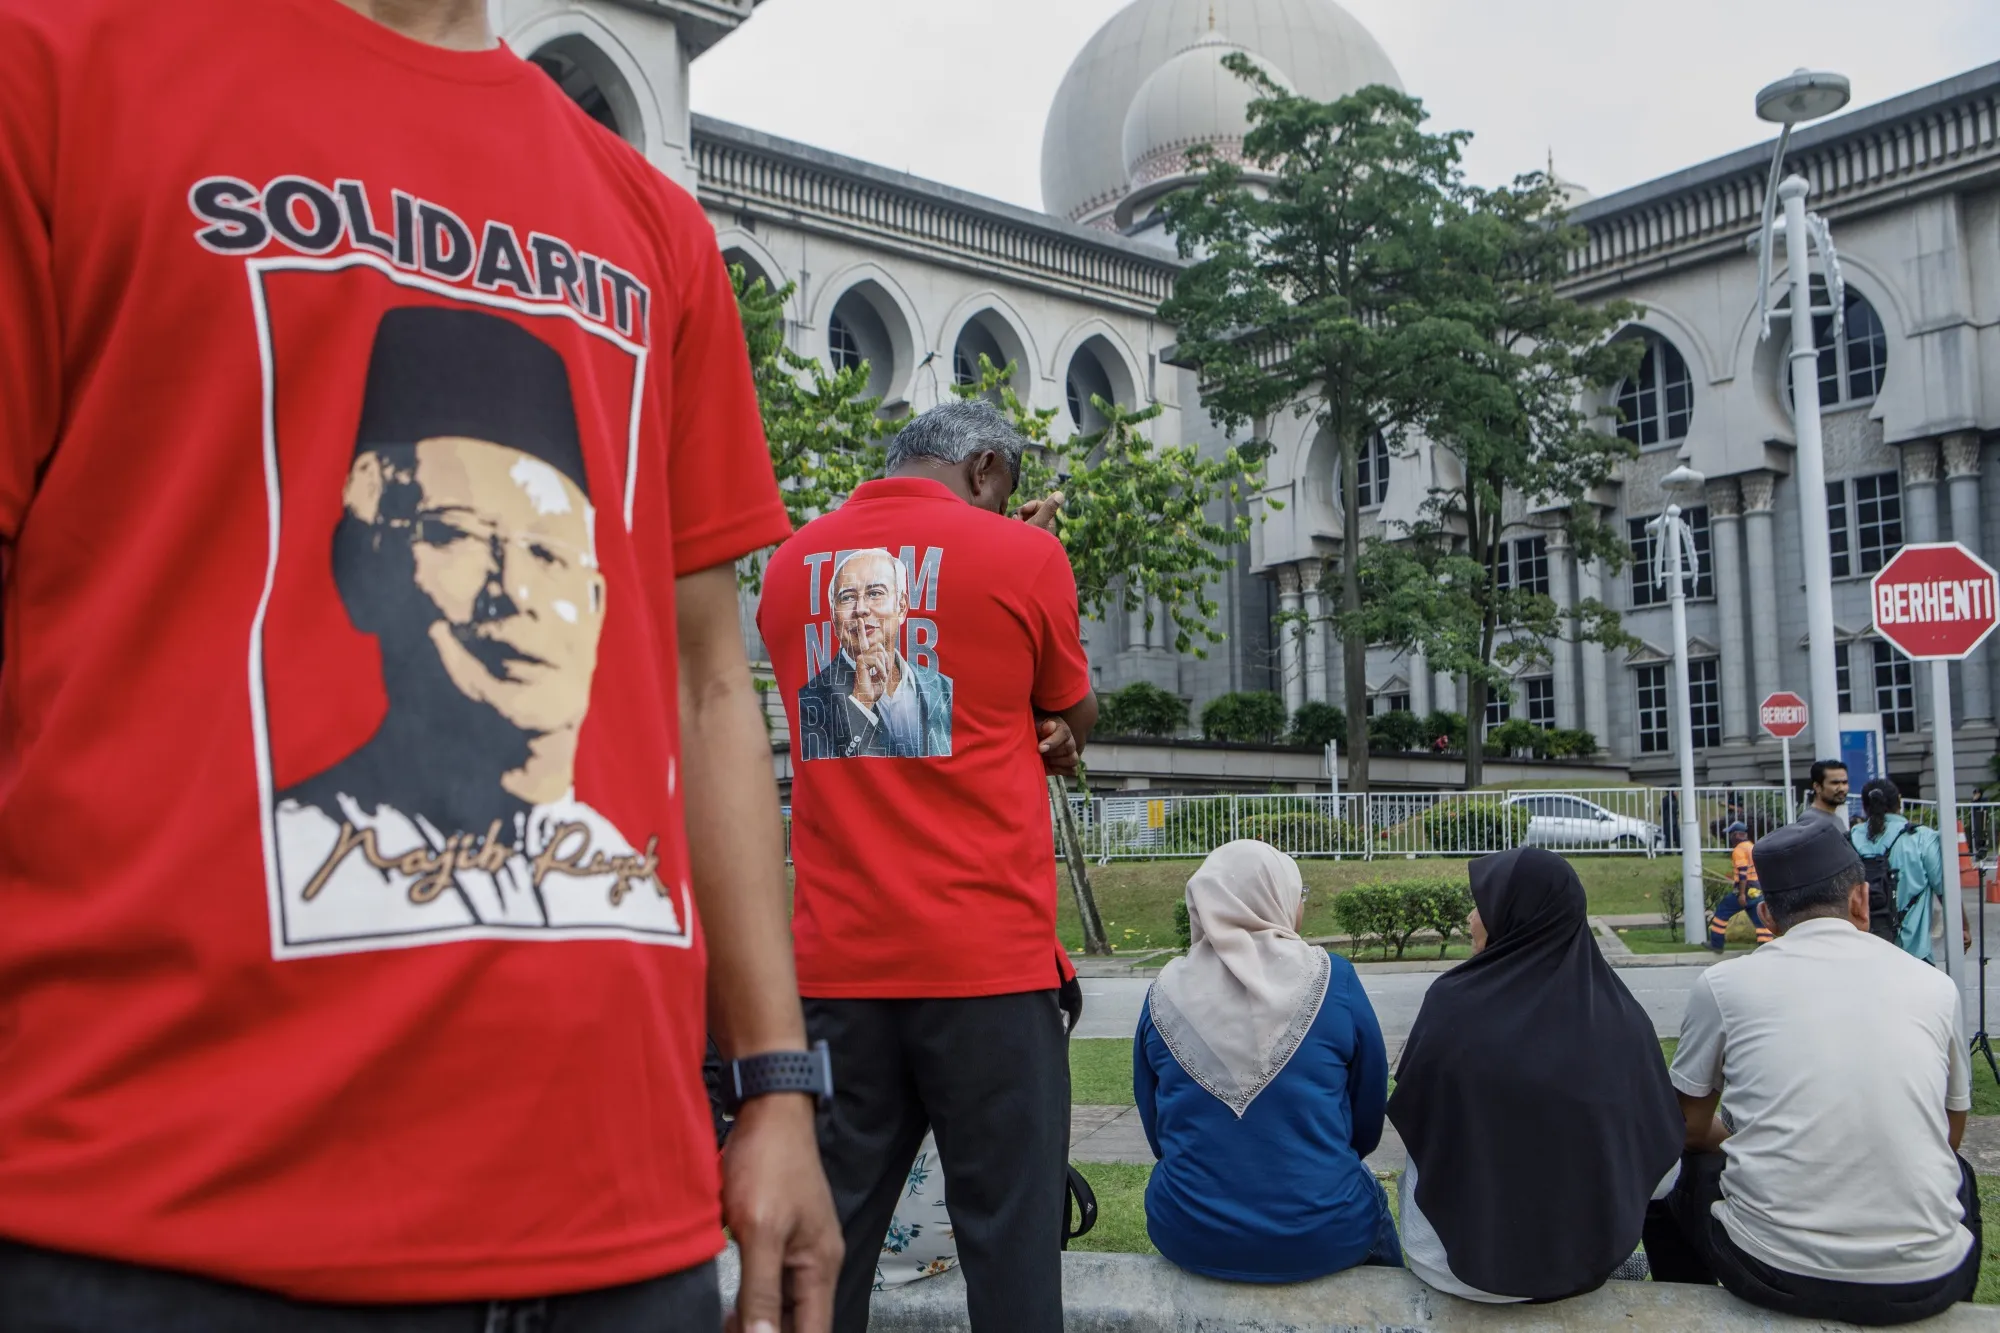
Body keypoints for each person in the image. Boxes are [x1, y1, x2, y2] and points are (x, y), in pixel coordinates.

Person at [0, 0, 840, 1328]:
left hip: (620, 1235)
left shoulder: (648, 221)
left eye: (555, 552)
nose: (518, 595)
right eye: (458, 537)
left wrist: (779, 1082)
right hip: (159, 1223)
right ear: (367, 562)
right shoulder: (52, 76)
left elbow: (706, 679)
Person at [757, 399, 1098, 1333]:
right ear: (987, 467)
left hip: (835, 975)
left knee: (825, 1248)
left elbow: (903, 707)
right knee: (1010, 1244)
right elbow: (1069, 711)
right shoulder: (1026, 558)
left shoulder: (793, 567)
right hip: (986, 969)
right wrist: (1021, 557)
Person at [1645, 819, 1981, 1325]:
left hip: (1770, 1272)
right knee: (1961, 1176)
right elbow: (1949, 1136)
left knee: (1686, 1171)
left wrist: (1744, 1137)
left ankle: (1691, 1311)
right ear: (1861, 900)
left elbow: (1688, 1128)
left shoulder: (1723, 984)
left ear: (1767, 915)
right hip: (1926, 1284)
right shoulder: (1934, 986)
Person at [1389, 848, 1683, 1303]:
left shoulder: (1451, 1006)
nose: (1471, 918)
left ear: (1516, 915)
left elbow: (1412, 1118)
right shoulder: (1623, 1020)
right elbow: (1663, 1175)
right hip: (1582, 1269)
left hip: (1447, 1264)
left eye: (1483, 905)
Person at [1133, 841, 1398, 1283]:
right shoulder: (1333, 978)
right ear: (1274, 897)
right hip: (1326, 1228)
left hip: (1189, 1227)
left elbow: (1156, 1123)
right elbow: (1368, 1115)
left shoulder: (1162, 992)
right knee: (1371, 1207)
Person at [797, 547, 954, 759]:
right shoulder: (808, 701)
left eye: (875, 593)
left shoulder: (943, 688)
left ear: (901, 607)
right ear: (834, 617)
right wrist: (861, 705)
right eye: (847, 597)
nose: (861, 608)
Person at [1851, 778, 1965, 964]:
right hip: (1913, 954)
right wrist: (1963, 927)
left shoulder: (1851, 838)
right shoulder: (1922, 837)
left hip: (1864, 956)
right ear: (1899, 802)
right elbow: (1946, 891)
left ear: (1865, 806)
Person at [1709, 823, 1772, 950]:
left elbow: (1743, 873)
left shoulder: (1739, 850)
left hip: (1746, 891)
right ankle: (1767, 946)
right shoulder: (1752, 847)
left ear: (1737, 834)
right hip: (1757, 890)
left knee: (1722, 911)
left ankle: (1716, 944)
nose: (1730, 837)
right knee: (1760, 920)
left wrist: (1742, 894)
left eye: (1731, 834)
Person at [1799, 759, 1851, 832]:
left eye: (1844, 782)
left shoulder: (1837, 820)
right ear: (1817, 787)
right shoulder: (1810, 820)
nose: (1841, 788)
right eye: (1835, 783)